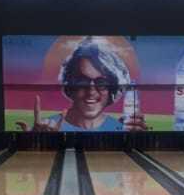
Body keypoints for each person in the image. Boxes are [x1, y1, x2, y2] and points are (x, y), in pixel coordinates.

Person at [17, 36, 147, 132]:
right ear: (70, 86)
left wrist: (137, 140)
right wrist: (37, 140)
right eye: (82, 82)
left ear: (112, 89)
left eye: (101, 83)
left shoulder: (122, 129)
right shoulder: (48, 128)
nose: (91, 92)